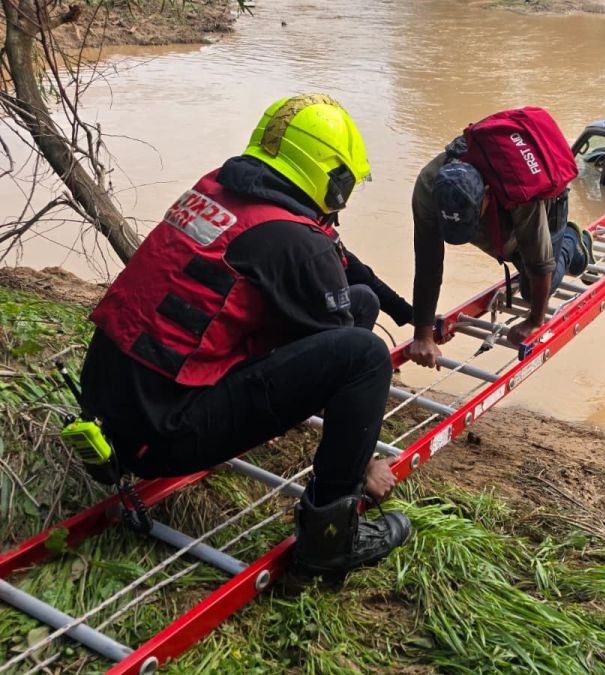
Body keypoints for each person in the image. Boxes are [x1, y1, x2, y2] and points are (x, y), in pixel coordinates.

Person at [80, 94, 411, 576]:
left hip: (110, 407)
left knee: (358, 302)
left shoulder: (218, 191)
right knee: (365, 356)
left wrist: (402, 310)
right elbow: (342, 349)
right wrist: (365, 466)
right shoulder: (295, 241)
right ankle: (330, 537)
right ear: (332, 179)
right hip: (161, 434)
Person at [408, 130, 594, 368]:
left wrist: (534, 322)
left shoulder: (517, 190)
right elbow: (427, 265)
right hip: (501, 213)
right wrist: (422, 335)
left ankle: (571, 240)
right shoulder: (426, 187)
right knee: (513, 252)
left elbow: (540, 262)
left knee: (533, 290)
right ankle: (553, 249)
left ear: (486, 194)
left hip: (548, 202)